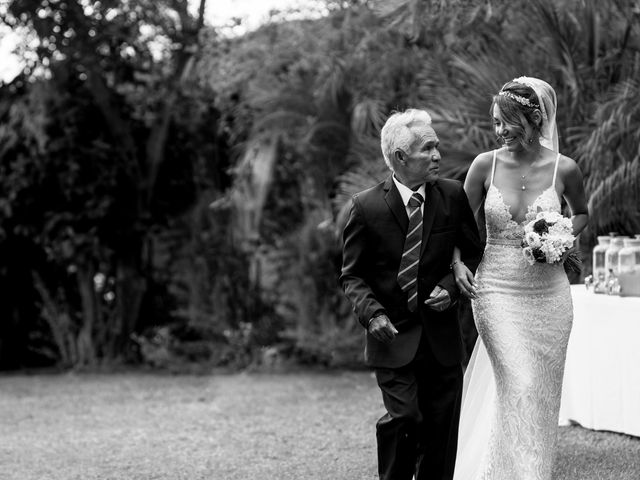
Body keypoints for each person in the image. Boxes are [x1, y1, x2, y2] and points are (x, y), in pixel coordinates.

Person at [451, 77, 589, 480]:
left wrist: (562, 232)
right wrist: (458, 262)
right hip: (495, 290)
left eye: (505, 123)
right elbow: (456, 224)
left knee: (540, 393)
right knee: (519, 381)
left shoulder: (565, 168)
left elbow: (581, 213)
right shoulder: (484, 165)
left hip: (549, 296)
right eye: (494, 123)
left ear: (532, 119)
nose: (498, 132)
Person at [340, 108, 483, 480]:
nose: (438, 155)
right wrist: (373, 314)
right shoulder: (366, 207)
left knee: (440, 435)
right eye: (428, 148)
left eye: (437, 147)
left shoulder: (451, 196)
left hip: (443, 340)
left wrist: (451, 288)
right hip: (392, 338)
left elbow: (471, 250)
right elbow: (352, 276)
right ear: (400, 157)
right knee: (404, 418)